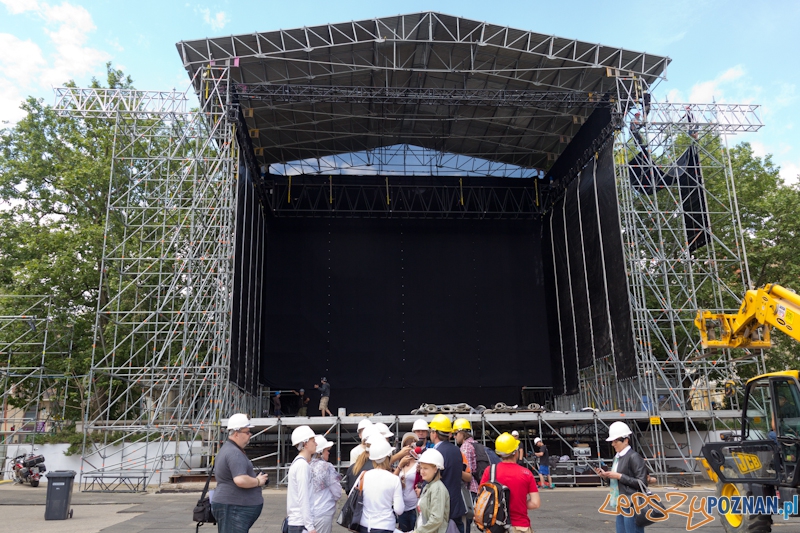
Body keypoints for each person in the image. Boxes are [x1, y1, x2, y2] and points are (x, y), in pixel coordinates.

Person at [211, 413, 269, 533]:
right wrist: (258, 481)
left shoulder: (229, 449)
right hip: (233, 507)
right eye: (247, 432)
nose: (250, 435)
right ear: (236, 434)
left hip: (232, 505)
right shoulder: (234, 453)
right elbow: (240, 480)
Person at [480, 433, 540, 533]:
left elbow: (482, 497)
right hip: (520, 526)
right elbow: (535, 503)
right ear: (515, 452)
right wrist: (519, 503)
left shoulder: (490, 471)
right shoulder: (526, 473)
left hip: (495, 526)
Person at [595, 421, 649, 533]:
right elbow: (615, 483)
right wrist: (605, 477)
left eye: (615, 441)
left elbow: (642, 483)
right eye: (612, 441)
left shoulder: (634, 457)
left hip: (632, 503)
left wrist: (619, 476)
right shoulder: (617, 458)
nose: (613, 444)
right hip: (621, 502)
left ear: (625, 440)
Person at [429, 414, 470, 533]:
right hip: (456, 504)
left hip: (441, 507)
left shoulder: (436, 453)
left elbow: (433, 479)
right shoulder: (456, 450)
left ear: (435, 433)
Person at [358, 438, 405, 533]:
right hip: (385, 526)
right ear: (388, 457)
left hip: (364, 525)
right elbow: (399, 510)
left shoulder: (364, 475)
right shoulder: (394, 479)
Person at [287, 425, 319, 533]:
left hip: (298, 522)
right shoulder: (302, 465)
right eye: (313, 441)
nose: (316, 444)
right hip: (301, 524)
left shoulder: (299, 463)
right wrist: (310, 527)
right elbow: (303, 497)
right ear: (305, 443)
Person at [412, 449, 450, 533]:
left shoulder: (437, 488)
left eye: (425, 468)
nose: (422, 471)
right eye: (421, 468)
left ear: (436, 469)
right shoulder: (428, 486)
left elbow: (436, 519)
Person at [310, 435, 342, 533]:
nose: (328, 452)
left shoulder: (306, 464)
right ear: (321, 452)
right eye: (326, 450)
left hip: (308, 512)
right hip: (323, 510)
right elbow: (337, 491)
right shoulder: (327, 467)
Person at [394, 433, 420, 532]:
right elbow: (392, 480)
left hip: (414, 506)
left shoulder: (419, 463)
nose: (409, 449)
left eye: (412, 446)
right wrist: (400, 465)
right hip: (402, 507)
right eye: (406, 445)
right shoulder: (401, 464)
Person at [453, 419, 479, 499]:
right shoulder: (475, 443)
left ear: (462, 433)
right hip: (478, 486)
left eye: (456, 433)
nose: (454, 436)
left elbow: (468, 474)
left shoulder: (466, 447)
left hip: (471, 489)